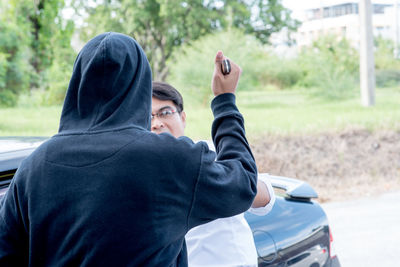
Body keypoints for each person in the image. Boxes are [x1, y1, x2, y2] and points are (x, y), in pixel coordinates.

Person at [0, 32, 258, 266]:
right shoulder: (169, 159)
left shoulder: (33, 166)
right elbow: (243, 183)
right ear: (140, 85)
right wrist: (224, 101)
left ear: (78, 82)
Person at [151, 81, 276, 267]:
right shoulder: (141, 171)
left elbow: (265, 197)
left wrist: (228, 182)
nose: (157, 123)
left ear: (183, 117)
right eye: (148, 116)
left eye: (165, 113)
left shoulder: (209, 153)